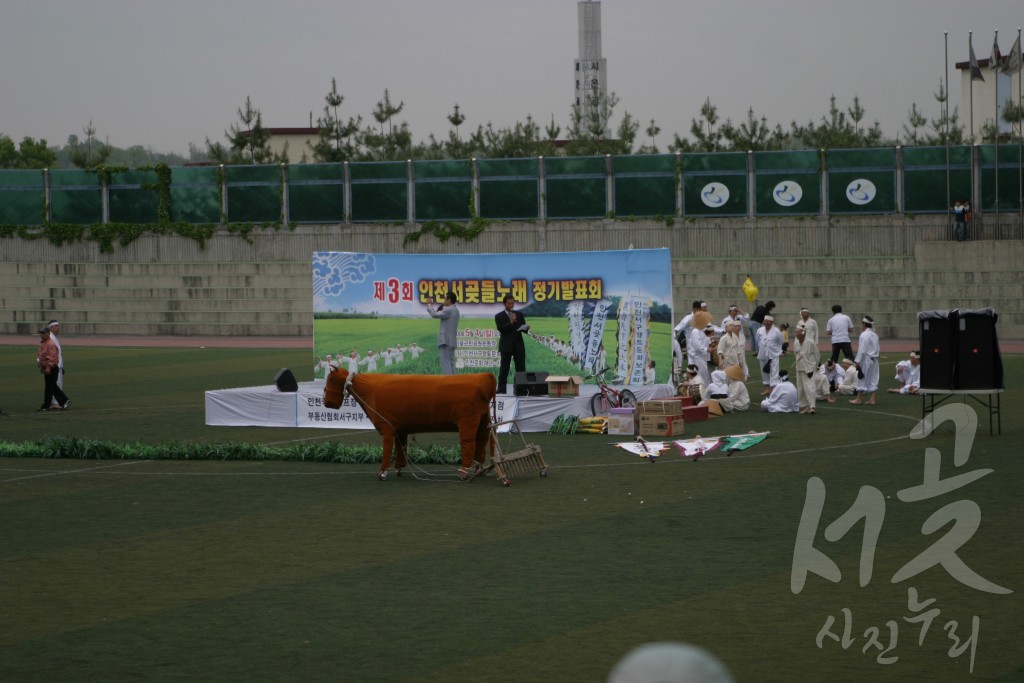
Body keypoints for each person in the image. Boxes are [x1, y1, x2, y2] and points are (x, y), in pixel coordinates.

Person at [495, 294, 529, 394]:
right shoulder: (499, 316)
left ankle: (520, 389)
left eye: (513, 304)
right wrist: (511, 321)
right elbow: (501, 329)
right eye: (509, 304)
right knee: (504, 368)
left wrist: (526, 328)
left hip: (518, 345)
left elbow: (523, 328)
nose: (511, 305)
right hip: (506, 346)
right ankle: (501, 389)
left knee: (521, 368)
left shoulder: (519, 314)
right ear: (504, 303)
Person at [37, 326, 70, 411]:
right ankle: (56, 403)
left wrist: (48, 368)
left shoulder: (50, 344)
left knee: (50, 387)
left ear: (48, 333)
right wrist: (41, 366)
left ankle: (56, 403)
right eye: (41, 333)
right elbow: (42, 356)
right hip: (48, 368)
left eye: (43, 333)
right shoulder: (44, 343)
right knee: (51, 387)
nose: (41, 335)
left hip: (51, 368)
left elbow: (52, 358)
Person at [427, 292, 460, 375]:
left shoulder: (448, 310)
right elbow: (440, 311)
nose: (443, 300)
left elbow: (434, 314)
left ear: (449, 300)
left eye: (445, 298)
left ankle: (449, 385)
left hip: (446, 341)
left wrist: (429, 305)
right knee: (451, 364)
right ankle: (454, 384)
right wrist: (443, 305)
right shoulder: (455, 310)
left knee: (446, 365)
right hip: (451, 342)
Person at [850, 315, 880, 405]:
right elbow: (877, 348)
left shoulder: (864, 335)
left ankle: (859, 399)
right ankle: (872, 399)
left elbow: (862, 349)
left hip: (866, 359)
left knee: (861, 378)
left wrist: (857, 361)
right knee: (873, 379)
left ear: (864, 324)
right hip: (874, 360)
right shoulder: (875, 335)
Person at [793, 322, 820, 414]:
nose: (796, 334)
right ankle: (806, 406)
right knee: (801, 388)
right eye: (796, 332)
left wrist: (815, 367)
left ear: (803, 333)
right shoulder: (796, 342)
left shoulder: (810, 342)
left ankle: (812, 406)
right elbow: (795, 355)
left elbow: (817, 355)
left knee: (810, 387)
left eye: (798, 332)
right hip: (799, 367)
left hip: (809, 368)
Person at [755, 315, 784, 394]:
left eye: (768, 321)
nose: (766, 323)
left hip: (773, 354)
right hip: (763, 354)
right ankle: (767, 389)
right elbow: (757, 340)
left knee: (774, 372)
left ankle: (774, 389)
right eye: (765, 321)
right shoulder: (760, 330)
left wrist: (777, 351)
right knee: (764, 371)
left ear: (772, 322)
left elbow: (780, 342)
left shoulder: (777, 331)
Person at [46, 320, 65, 408]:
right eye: (56, 326)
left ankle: (51, 402)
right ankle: (55, 403)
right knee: (56, 384)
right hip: (54, 365)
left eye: (58, 326)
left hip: (57, 365)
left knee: (53, 384)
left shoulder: (53, 337)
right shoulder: (50, 338)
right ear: (51, 328)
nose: (58, 328)